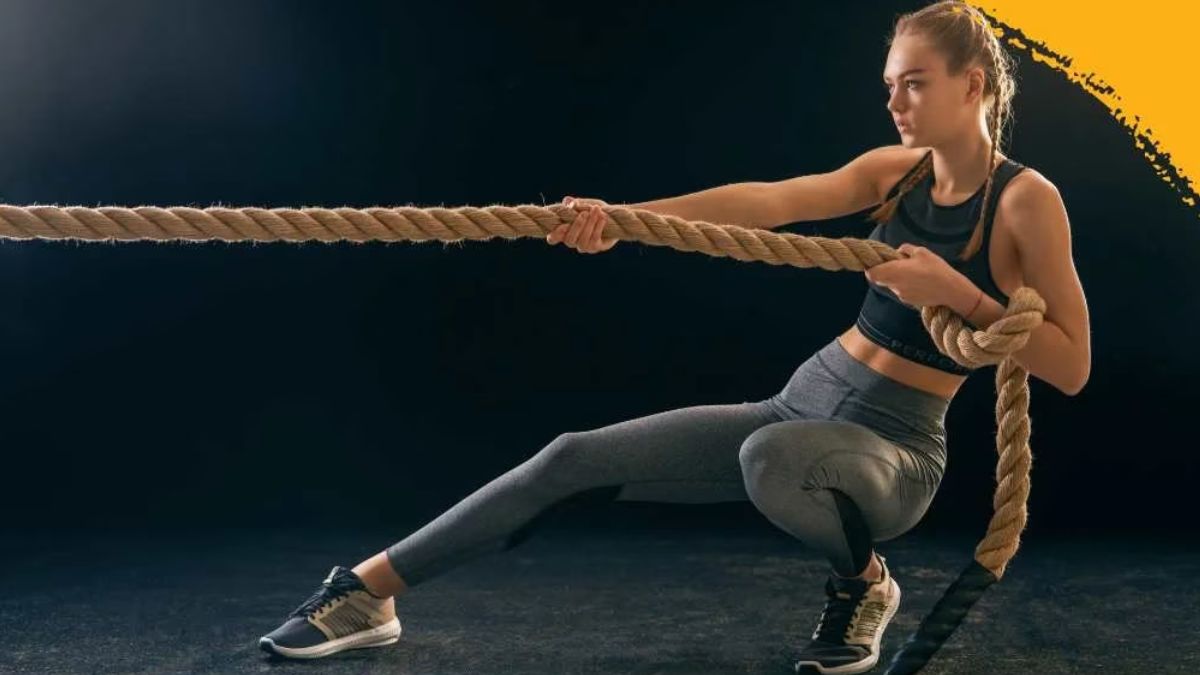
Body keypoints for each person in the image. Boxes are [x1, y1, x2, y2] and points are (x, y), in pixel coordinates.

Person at [257, 2, 1091, 673]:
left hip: (895, 451)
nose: (894, 103)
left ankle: (864, 583)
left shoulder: (1024, 203)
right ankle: (368, 593)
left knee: (775, 459)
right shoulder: (894, 172)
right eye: (889, 85)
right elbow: (770, 202)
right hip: (801, 400)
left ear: (972, 84)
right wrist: (627, 222)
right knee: (571, 455)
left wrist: (958, 294)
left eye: (913, 84)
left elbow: (1072, 364)